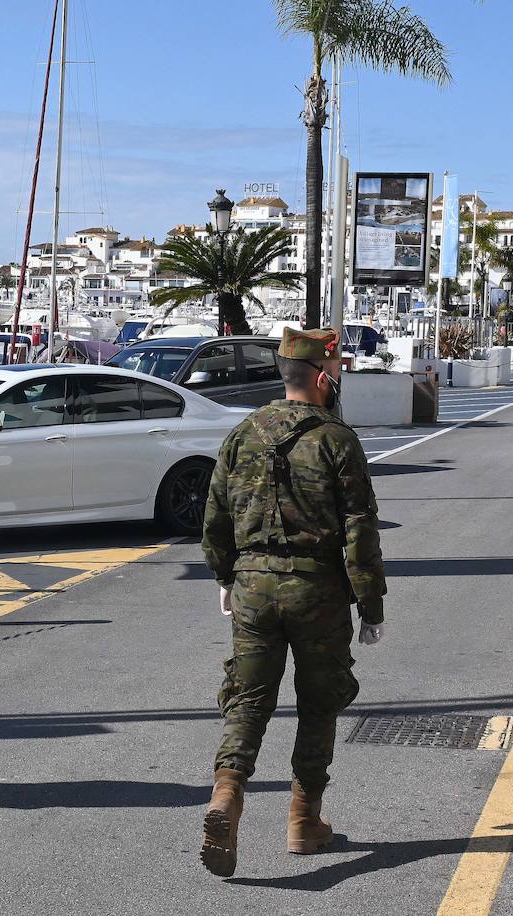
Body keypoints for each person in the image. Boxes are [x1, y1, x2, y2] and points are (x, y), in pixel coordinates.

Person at [198, 326, 387, 877]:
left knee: (247, 700)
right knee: (318, 702)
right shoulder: (336, 439)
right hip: (317, 591)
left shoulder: (242, 434)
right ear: (324, 377)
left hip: (254, 587)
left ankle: (226, 796)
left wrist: (226, 577)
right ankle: (304, 821)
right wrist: (370, 606)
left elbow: (215, 517)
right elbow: (359, 529)